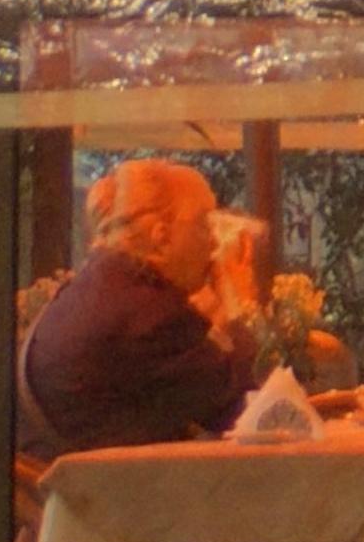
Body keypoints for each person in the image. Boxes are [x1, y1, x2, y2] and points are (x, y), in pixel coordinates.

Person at [19, 160, 259, 458]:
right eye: (202, 224)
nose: (213, 242)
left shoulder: (103, 287)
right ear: (161, 238)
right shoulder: (150, 314)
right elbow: (246, 408)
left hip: (64, 490)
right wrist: (241, 301)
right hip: (102, 500)